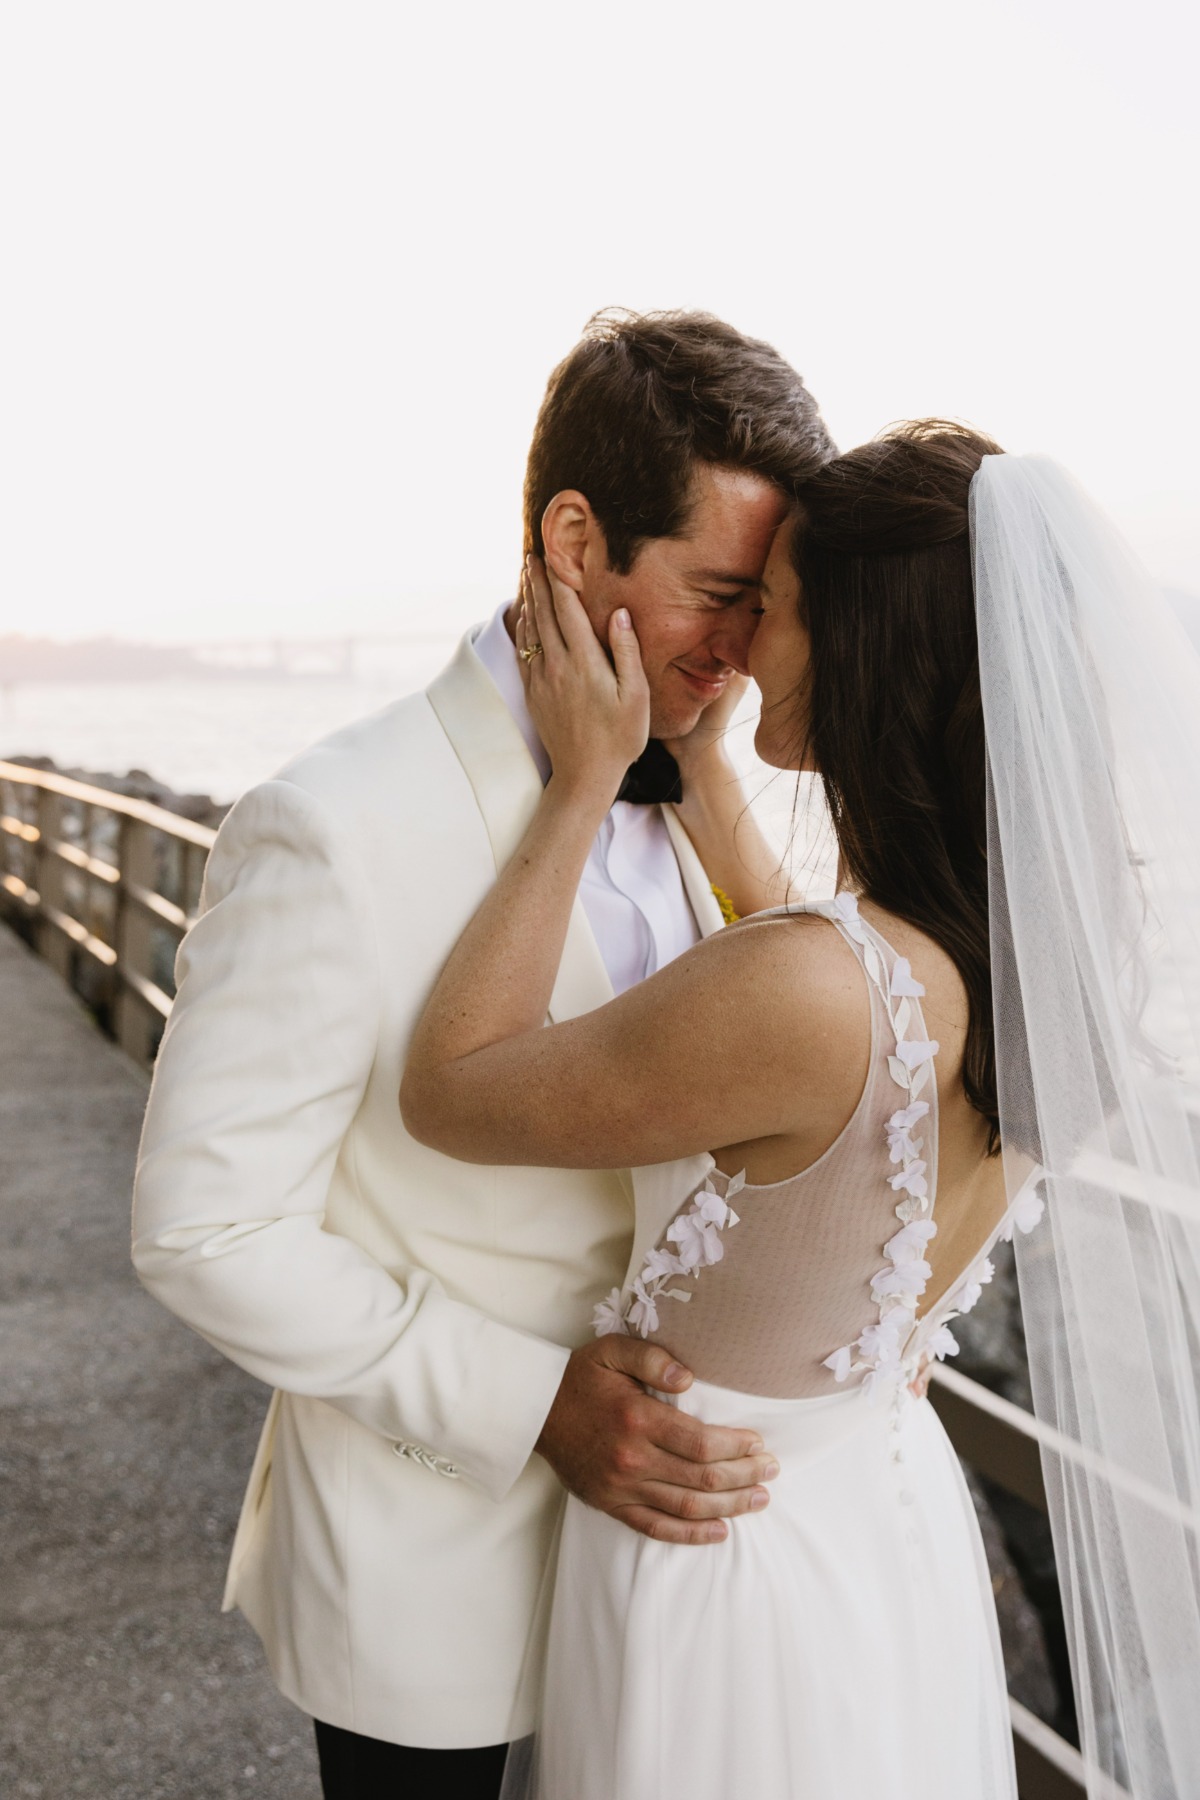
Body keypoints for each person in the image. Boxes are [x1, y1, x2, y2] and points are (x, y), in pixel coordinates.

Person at [130, 309, 834, 1798]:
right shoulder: (334, 825)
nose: (750, 654)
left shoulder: (699, 786)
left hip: (681, 1583)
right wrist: (536, 1404)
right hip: (433, 1580)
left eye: (765, 604)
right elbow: (206, 1229)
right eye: (717, 594)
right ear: (575, 543)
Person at [399, 421, 1034, 1798]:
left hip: (722, 1559)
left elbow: (450, 1088)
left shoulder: (806, 990)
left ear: (863, 651)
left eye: (777, 609)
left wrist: (580, 790)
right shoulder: (1036, 957)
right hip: (881, 1527)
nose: (740, 650)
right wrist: (704, 780)